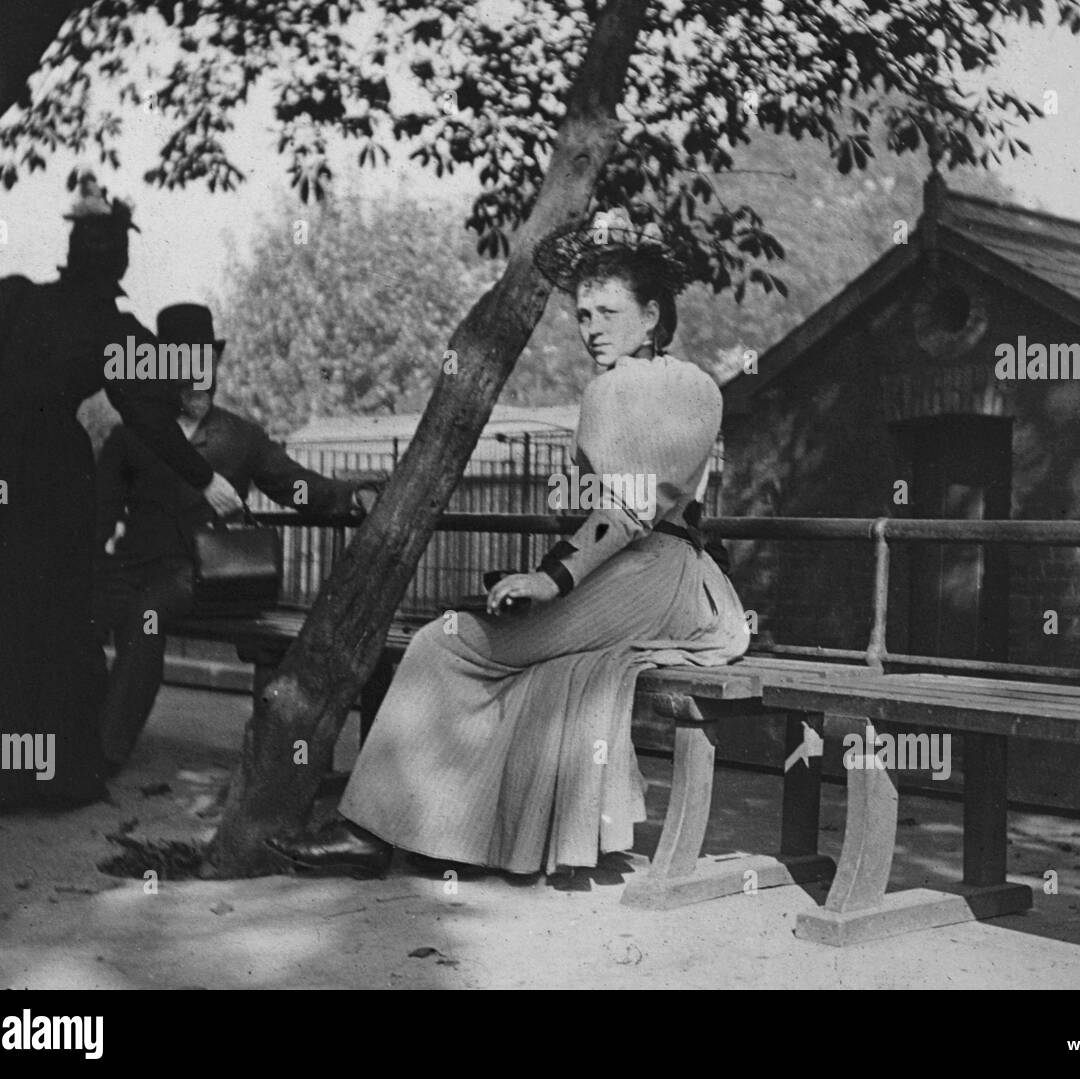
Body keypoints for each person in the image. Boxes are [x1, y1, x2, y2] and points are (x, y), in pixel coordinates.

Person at [269, 207, 749, 878]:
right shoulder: (676, 384)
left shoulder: (646, 386)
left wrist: (551, 578)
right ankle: (465, 837)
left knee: (447, 640)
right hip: (658, 580)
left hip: (651, 574)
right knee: (520, 655)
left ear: (650, 316)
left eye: (608, 313)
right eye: (582, 316)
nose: (591, 329)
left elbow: (637, 502)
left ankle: (370, 833)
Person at [0, 176, 244, 812]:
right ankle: (34, 776)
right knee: (45, 606)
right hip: (44, 470)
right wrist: (203, 477)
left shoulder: (15, 298)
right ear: (118, 261)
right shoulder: (113, 329)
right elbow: (151, 411)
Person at [91, 303, 383, 772]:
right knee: (76, 608)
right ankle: (68, 731)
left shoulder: (240, 436)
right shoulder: (130, 436)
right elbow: (99, 515)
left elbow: (296, 485)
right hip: (136, 568)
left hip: (201, 574)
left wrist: (354, 496)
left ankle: (103, 756)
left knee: (146, 616)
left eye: (207, 363)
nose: (200, 377)